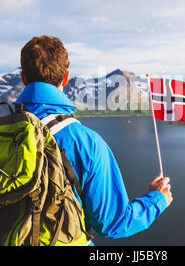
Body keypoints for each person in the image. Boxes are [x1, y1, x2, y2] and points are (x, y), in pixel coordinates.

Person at [14, 35, 173, 245]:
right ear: (65, 78)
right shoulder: (85, 143)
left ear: (23, 78)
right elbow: (113, 224)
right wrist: (158, 199)